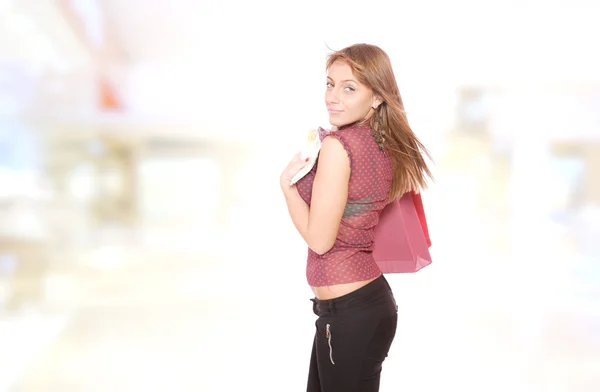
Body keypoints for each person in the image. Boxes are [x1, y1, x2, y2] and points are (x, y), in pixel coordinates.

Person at [279, 43, 433, 392]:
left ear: (377, 97)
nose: (333, 97)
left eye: (349, 88)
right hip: (364, 308)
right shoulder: (382, 143)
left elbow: (320, 240)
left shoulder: (339, 146)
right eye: (330, 84)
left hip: (348, 313)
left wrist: (287, 187)